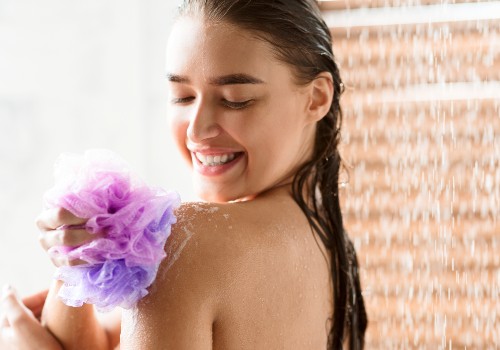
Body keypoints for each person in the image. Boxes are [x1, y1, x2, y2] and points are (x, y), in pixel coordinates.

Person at [0, 0, 367, 348]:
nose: (196, 130)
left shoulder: (184, 244)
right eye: (182, 96)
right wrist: (80, 255)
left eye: (235, 98)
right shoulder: (331, 245)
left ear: (317, 98)